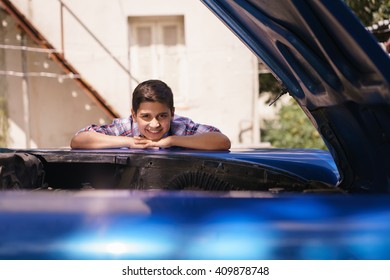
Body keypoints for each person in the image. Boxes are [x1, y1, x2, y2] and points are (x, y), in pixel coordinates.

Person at [70, 79, 231, 150]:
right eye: (146, 116)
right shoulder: (126, 128)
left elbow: (222, 141)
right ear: (134, 115)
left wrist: (171, 141)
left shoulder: (180, 127)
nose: (155, 124)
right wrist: (130, 142)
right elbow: (79, 140)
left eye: (162, 116)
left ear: (172, 113)